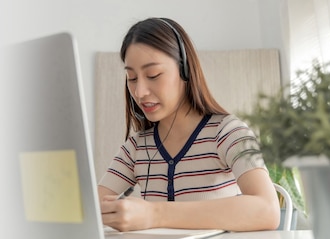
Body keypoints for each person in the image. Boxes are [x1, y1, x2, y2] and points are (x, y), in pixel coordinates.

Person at [97, 17, 280, 232]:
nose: (140, 92)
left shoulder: (229, 133)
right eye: (132, 78)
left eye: (153, 75)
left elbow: (267, 210)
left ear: (185, 70)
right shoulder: (136, 147)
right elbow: (88, 210)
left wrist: (154, 214)